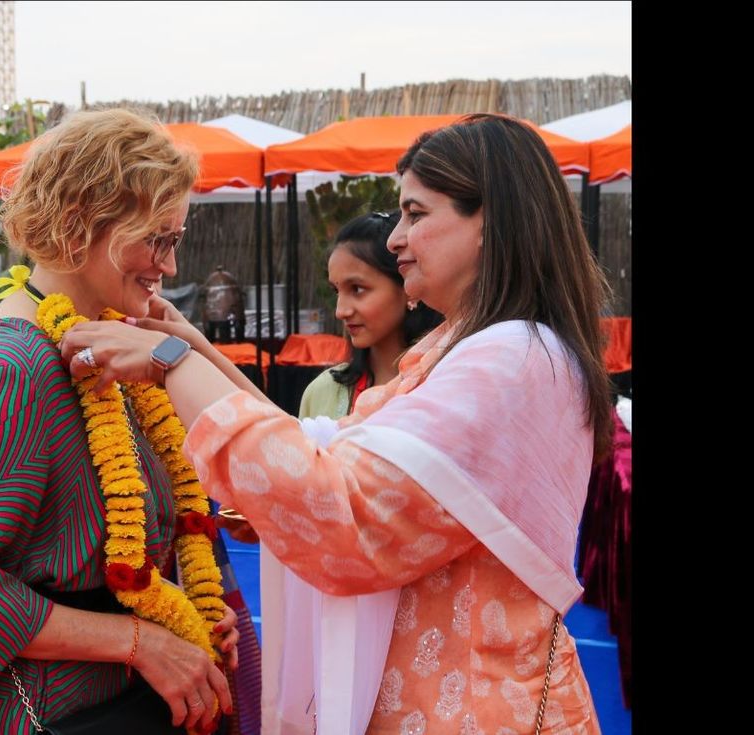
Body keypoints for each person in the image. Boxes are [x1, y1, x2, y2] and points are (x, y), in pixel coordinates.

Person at [58, 112, 612, 734]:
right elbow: (322, 451)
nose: (396, 238)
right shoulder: (470, 349)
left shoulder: (509, 362)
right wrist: (195, 349)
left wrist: (174, 364)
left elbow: (339, 509)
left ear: (491, 222)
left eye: (415, 214)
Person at [0, 108, 251, 735]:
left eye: (174, 240)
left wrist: (185, 609)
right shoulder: (17, 368)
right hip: (53, 714)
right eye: (157, 240)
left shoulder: (109, 341)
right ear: (77, 226)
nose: (170, 267)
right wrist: (142, 642)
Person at [299, 209, 444, 420]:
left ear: (408, 288)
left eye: (357, 289)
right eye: (336, 291)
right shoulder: (322, 393)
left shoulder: (442, 386)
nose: (341, 311)